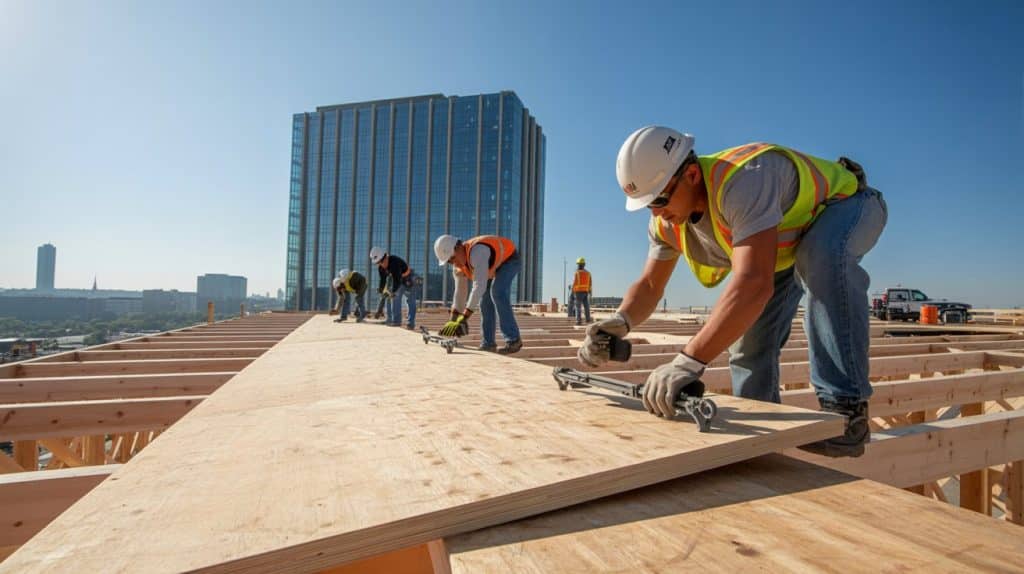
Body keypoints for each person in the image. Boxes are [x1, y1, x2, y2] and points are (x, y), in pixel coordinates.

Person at [579, 126, 886, 458]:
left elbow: (753, 282)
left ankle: (846, 413)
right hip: (785, 244)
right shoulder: (665, 224)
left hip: (848, 206)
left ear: (692, 174)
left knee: (821, 255)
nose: (656, 212)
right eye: (647, 205)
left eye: (660, 199)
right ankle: (762, 437)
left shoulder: (742, 181)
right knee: (747, 346)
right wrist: (620, 322)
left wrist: (688, 361)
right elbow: (651, 285)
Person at [433, 234, 522, 354]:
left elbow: (479, 286)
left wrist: (464, 317)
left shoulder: (477, 252)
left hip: (509, 259)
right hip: (492, 266)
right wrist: (454, 319)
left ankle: (513, 339)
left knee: (497, 292)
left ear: (457, 248)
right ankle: (488, 343)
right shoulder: (458, 268)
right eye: (449, 262)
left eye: (452, 259)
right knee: (484, 302)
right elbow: (460, 292)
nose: (453, 263)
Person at [369, 246, 418, 329]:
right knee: (392, 298)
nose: (380, 264)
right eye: (378, 263)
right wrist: (381, 290)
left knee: (411, 301)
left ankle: (410, 323)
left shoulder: (394, 262)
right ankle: (394, 321)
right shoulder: (381, 268)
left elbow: (397, 280)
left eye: (381, 262)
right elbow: (383, 280)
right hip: (397, 279)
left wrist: (393, 292)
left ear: (385, 257)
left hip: (408, 277)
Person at [572, 257, 593, 325]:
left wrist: (572, 291)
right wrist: (590, 292)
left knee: (578, 307)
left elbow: (574, 283)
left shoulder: (577, 273)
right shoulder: (588, 273)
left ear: (578, 265)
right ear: (584, 264)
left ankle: (578, 321)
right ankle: (588, 320)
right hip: (585, 292)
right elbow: (590, 284)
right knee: (586, 306)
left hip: (578, 292)